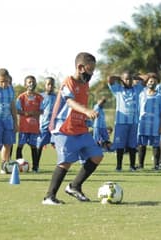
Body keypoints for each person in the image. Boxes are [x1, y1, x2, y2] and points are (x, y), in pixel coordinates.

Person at [42, 52, 103, 205]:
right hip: (63, 128)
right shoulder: (68, 82)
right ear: (80, 67)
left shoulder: (85, 84)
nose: (91, 74)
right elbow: (70, 102)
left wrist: (87, 119)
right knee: (66, 162)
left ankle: (74, 186)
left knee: (97, 155)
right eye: (90, 70)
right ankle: (49, 197)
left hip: (80, 127)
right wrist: (87, 111)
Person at [108, 71, 144, 171]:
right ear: (122, 80)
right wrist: (119, 77)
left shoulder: (136, 89)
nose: (128, 81)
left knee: (132, 145)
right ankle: (119, 166)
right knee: (120, 145)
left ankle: (132, 166)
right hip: (121, 122)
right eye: (126, 79)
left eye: (130, 79)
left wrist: (135, 76)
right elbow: (110, 79)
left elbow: (146, 78)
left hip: (133, 122)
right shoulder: (118, 89)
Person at [15, 75, 43, 172]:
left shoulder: (39, 97)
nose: (31, 84)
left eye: (33, 82)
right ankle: (18, 165)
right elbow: (17, 110)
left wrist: (34, 113)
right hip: (23, 127)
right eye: (29, 82)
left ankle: (35, 167)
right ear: (25, 84)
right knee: (20, 146)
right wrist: (25, 113)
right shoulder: (21, 97)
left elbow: (42, 111)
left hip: (34, 127)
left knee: (33, 146)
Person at [137, 76, 161, 170]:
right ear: (147, 83)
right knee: (141, 144)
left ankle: (156, 165)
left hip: (155, 124)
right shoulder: (141, 94)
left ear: (156, 84)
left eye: (154, 81)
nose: (152, 83)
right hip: (143, 124)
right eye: (150, 81)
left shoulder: (159, 96)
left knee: (155, 144)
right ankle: (140, 165)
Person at [35, 77, 57, 171]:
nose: (50, 86)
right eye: (48, 84)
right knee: (39, 146)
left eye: (52, 84)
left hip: (55, 126)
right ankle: (36, 165)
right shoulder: (40, 97)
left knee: (59, 146)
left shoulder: (57, 97)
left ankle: (61, 166)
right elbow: (37, 110)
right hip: (43, 125)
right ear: (45, 85)